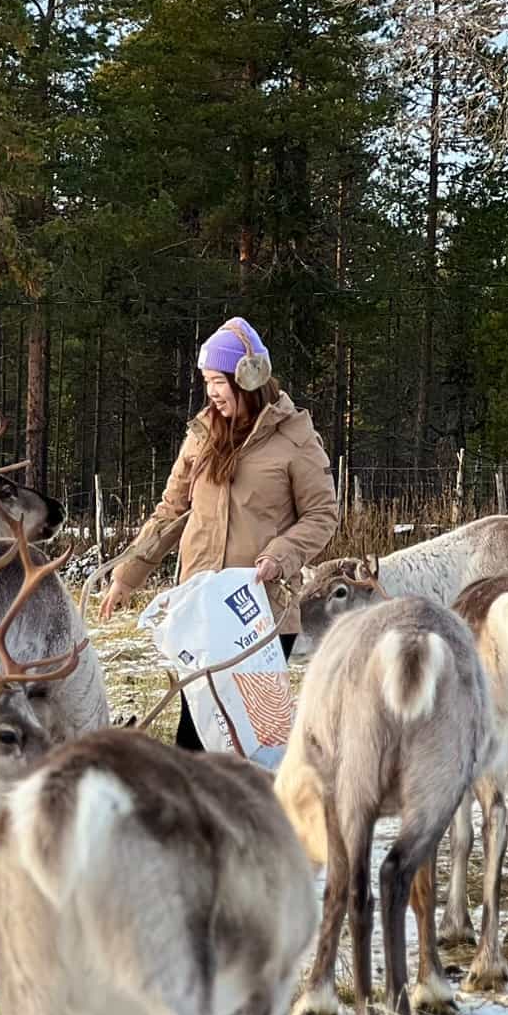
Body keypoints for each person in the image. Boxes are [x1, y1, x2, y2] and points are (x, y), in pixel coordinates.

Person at [99, 317, 339, 749]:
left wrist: (281, 555)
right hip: (201, 615)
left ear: (249, 378)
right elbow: (171, 511)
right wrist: (128, 575)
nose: (210, 391)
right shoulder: (201, 435)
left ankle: (262, 795)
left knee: (255, 744)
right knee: (195, 738)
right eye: (206, 381)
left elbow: (322, 514)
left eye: (218, 381)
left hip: (259, 617)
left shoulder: (296, 440)